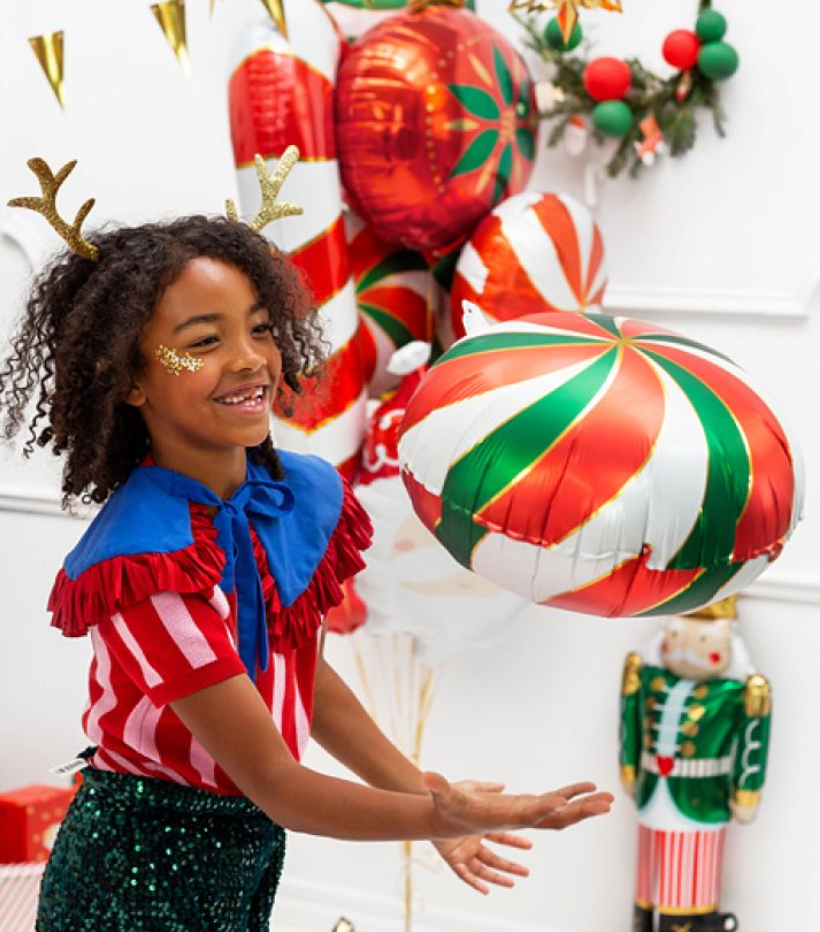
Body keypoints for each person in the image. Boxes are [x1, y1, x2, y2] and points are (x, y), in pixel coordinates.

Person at [0, 152, 613, 932]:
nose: (251, 358)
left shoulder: (293, 499)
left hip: (245, 853)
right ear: (130, 379)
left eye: (259, 328)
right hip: (138, 868)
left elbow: (304, 679)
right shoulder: (144, 562)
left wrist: (430, 796)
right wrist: (438, 821)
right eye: (203, 340)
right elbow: (278, 782)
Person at [619, 597, 770, 932]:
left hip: (701, 801)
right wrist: (628, 766)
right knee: (648, 883)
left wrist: (747, 791)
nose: (686, 649)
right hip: (652, 794)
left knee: (690, 886)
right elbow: (631, 718)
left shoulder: (732, 692)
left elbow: (752, 740)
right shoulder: (653, 680)